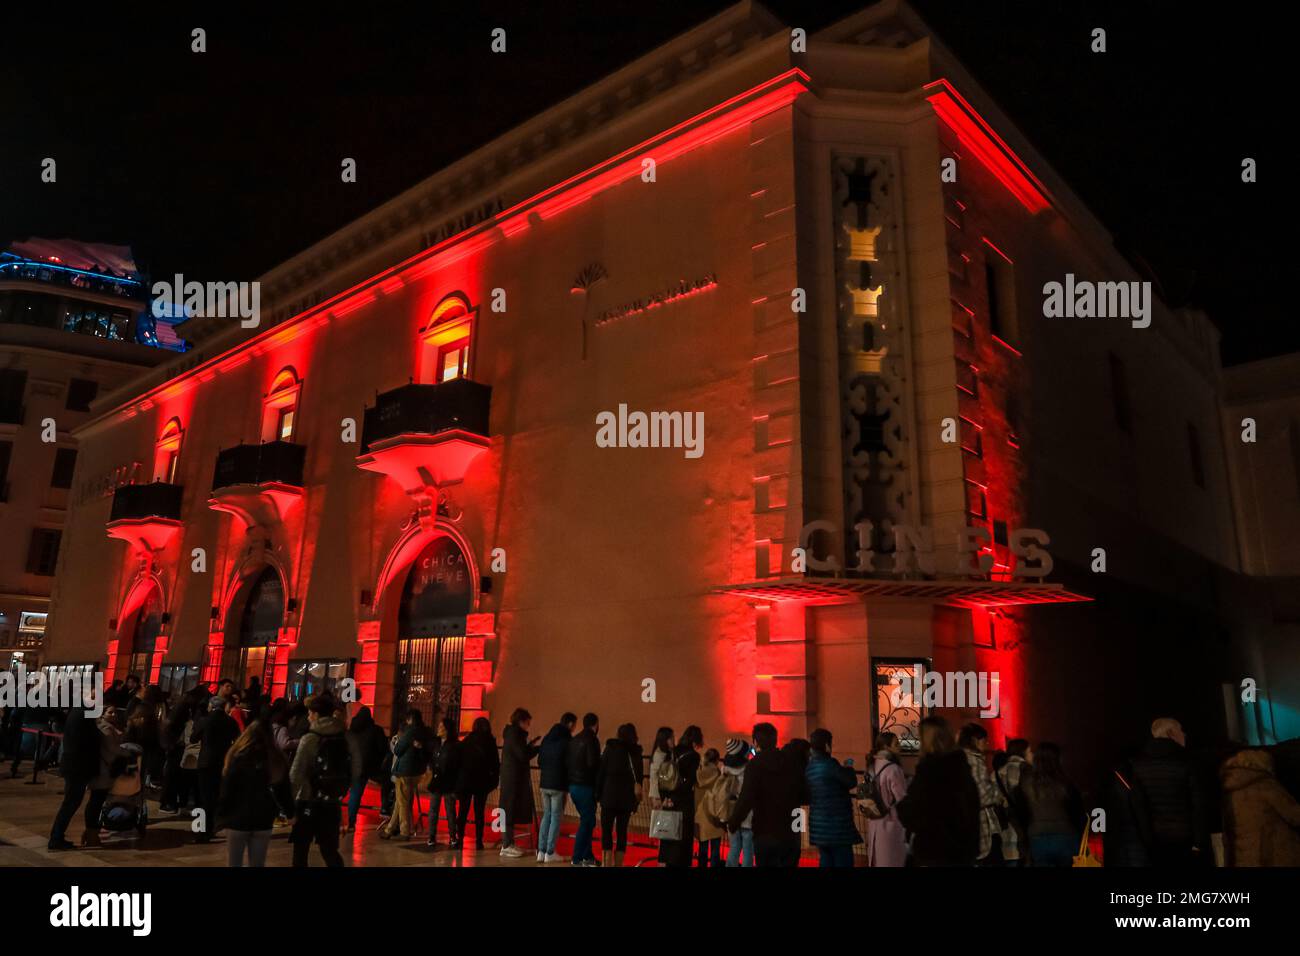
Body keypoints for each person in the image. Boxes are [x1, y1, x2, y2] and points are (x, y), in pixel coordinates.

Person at [896, 716, 979, 866]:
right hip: (961, 852)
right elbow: (972, 809)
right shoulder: (961, 768)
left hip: (933, 851)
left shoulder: (929, 771)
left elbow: (910, 811)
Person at [1127, 717, 1208, 867]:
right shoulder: (1189, 761)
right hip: (1186, 840)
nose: (1184, 734)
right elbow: (1199, 806)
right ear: (1171, 733)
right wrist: (1199, 842)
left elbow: (1139, 808)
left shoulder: (1137, 765)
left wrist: (1146, 840)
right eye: (1181, 730)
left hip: (1155, 841)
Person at [727, 722, 806, 867]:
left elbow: (746, 798)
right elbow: (803, 794)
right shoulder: (791, 762)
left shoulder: (755, 765)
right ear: (775, 740)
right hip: (791, 831)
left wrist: (733, 822)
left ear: (755, 742)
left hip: (765, 832)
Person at [218, 719, 290, 866]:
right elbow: (283, 790)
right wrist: (291, 812)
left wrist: (220, 816)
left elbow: (227, 790)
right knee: (258, 862)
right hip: (262, 818)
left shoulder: (236, 757)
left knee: (234, 861)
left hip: (237, 818)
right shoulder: (275, 759)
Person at [288, 694, 349, 867]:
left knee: (300, 851)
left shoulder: (310, 738)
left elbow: (296, 774)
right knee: (329, 851)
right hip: (331, 802)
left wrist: (288, 806)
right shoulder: (343, 737)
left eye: (310, 713)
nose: (308, 717)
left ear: (315, 714)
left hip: (308, 801)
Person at [1220, 748, 1300, 866]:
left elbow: (1227, 833)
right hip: (1275, 854)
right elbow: (1295, 815)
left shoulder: (1230, 793)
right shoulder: (1266, 786)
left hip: (1244, 859)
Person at [1016, 741, 1084, 867]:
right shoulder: (1066, 783)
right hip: (1066, 835)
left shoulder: (1026, 784)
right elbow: (1077, 811)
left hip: (1037, 837)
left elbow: (1022, 813)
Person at [47, 703, 102, 850]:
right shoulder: (84, 713)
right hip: (77, 766)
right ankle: (56, 838)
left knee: (70, 802)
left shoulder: (77, 710)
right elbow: (93, 738)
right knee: (70, 803)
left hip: (73, 764)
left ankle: (57, 837)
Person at [806, 728, 861, 867]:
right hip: (837, 829)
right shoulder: (830, 765)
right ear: (827, 746)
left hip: (819, 828)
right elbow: (850, 782)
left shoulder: (809, 767)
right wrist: (849, 767)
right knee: (843, 861)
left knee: (825, 860)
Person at [193, 695, 240, 844]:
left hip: (205, 762)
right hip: (223, 761)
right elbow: (238, 740)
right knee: (215, 796)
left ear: (211, 706)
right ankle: (212, 827)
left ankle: (201, 831)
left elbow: (193, 738)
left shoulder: (204, 721)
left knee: (203, 797)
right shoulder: (230, 721)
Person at [596, 722, 642, 868]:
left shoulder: (610, 749)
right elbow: (638, 779)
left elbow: (601, 772)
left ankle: (606, 863)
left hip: (609, 796)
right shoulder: (636, 753)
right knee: (622, 832)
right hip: (626, 799)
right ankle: (618, 864)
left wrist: (598, 794)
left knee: (607, 831)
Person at [958, 722, 1005, 865]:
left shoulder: (955, 760)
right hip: (983, 828)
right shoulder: (975, 761)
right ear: (974, 740)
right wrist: (998, 795)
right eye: (985, 739)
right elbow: (983, 796)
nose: (987, 743)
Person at [657, 725, 703, 867]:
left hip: (669, 803)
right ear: (696, 741)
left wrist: (666, 798)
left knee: (669, 839)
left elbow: (663, 778)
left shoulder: (672, 752)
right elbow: (689, 782)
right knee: (683, 842)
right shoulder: (694, 756)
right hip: (683, 805)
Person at [498, 708, 541, 858]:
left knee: (509, 809)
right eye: (528, 722)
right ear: (521, 721)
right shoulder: (515, 735)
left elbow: (520, 752)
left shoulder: (512, 734)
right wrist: (535, 749)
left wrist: (530, 747)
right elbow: (522, 754)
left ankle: (508, 843)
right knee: (508, 809)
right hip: (513, 778)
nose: (528, 726)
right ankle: (506, 844)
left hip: (511, 776)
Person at [381, 708, 430, 840]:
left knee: (402, 802)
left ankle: (404, 831)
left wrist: (397, 743)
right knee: (401, 800)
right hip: (418, 771)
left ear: (410, 719)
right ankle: (389, 829)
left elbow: (398, 749)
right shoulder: (425, 731)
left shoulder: (410, 732)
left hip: (405, 771)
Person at [83, 706, 128, 847]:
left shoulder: (106, 726)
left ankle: (91, 832)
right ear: (103, 714)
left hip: (102, 769)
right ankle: (91, 833)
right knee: (96, 801)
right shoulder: (106, 728)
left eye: (115, 712)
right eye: (110, 712)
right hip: (103, 770)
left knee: (96, 801)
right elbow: (112, 749)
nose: (114, 714)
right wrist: (128, 752)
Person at [864, 731, 908, 867]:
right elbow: (902, 798)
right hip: (891, 824)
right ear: (886, 747)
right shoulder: (893, 769)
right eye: (896, 744)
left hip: (874, 821)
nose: (899, 746)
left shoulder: (872, 766)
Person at [455, 717, 500, 850]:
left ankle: (460, 839)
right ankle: (479, 840)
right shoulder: (490, 742)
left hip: (466, 780)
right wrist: (493, 780)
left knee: (463, 811)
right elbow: (495, 763)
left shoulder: (468, 740)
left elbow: (459, 760)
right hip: (482, 781)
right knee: (479, 812)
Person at [537, 712, 576, 862]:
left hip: (544, 783)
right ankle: (550, 851)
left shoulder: (547, 738)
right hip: (558, 784)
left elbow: (540, 761)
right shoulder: (567, 741)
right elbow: (569, 763)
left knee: (546, 815)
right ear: (571, 724)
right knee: (555, 817)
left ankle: (541, 851)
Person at [345, 705, 387, 834]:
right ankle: (385, 809)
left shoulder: (352, 730)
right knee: (385, 783)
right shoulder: (376, 730)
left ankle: (351, 822)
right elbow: (383, 748)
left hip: (352, 764)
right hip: (369, 766)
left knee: (354, 794)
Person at [567, 712, 601, 866]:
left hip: (573, 785)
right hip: (586, 786)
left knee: (588, 821)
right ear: (595, 724)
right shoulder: (592, 740)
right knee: (587, 822)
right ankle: (577, 857)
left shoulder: (575, 740)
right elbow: (593, 764)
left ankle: (588, 855)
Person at [996, 738, 1032, 866]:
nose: (1031, 755)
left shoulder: (998, 772)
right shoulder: (1027, 770)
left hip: (1005, 829)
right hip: (1023, 828)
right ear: (1023, 752)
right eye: (1029, 751)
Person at [427, 717, 461, 848]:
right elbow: (431, 758)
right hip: (436, 781)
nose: (438, 729)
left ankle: (453, 836)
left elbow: (456, 765)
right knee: (433, 809)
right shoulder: (436, 744)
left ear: (447, 730)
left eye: (441, 727)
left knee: (450, 811)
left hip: (448, 782)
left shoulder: (454, 746)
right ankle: (431, 836)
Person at [721, 738, 754, 867]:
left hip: (730, 812)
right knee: (747, 850)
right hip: (747, 812)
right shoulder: (749, 769)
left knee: (734, 847)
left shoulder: (725, 770)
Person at [695, 747, 727, 867]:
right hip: (714, 814)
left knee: (702, 848)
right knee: (715, 850)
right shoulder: (718, 774)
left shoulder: (698, 773)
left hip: (700, 814)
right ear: (717, 760)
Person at [648, 726, 674, 809]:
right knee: (661, 819)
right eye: (671, 738)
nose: (673, 740)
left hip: (663, 792)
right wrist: (656, 796)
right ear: (664, 740)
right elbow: (655, 776)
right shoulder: (659, 755)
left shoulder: (668, 753)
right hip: (659, 794)